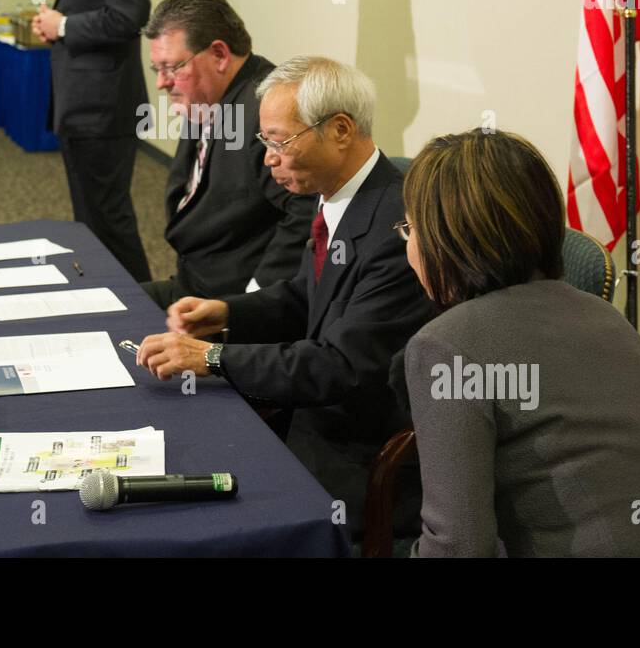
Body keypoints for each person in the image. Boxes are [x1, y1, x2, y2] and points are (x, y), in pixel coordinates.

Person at [137, 56, 433, 538]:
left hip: (356, 453)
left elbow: (341, 366)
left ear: (340, 130)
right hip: (309, 414)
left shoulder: (399, 230)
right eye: (264, 142)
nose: (268, 158)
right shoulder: (338, 195)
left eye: (279, 142)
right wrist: (228, 312)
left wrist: (212, 357)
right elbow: (304, 299)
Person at [394, 129, 640, 557]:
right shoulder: (608, 317)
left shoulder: (445, 347)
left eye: (410, 228)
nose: (408, 245)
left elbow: (458, 546)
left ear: (447, 239)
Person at [140, 0, 315, 308]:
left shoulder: (265, 107)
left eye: (171, 68)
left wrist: (253, 301)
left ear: (219, 54)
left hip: (227, 305)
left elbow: (307, 209)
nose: (161, 83)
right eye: (157, 69)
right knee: (98, 305)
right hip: (192, 284)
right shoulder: (204, 95)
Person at [33, 0, 152, 281]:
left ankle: (142, 307)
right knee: (93, 222)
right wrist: (57, 25)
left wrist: (62, 25)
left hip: (103, 109)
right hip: (85, 105)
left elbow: (127, 16)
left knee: (108, 222)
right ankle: (111, 300)